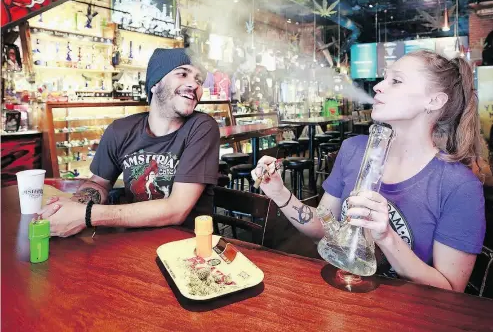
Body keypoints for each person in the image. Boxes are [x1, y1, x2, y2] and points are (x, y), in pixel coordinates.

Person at [252, 50, 490, 292]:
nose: (378, 87)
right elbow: (324, 228)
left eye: (395, 81)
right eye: (384, 78)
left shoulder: (459, 186)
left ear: (434, 101)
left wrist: (386, 236)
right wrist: (280, 193)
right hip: (341, 296)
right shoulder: (353, 149)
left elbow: (451, 291)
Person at [39, 48, 220, 236]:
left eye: (198, 80)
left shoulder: (202, 127)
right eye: (183, 74)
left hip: (186, 246)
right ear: (155, 84)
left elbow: (176, 210)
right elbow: (99, 183)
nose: (194, 84)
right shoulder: (120, 130)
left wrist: (86, 214)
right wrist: (72, 207)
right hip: (132, 243)